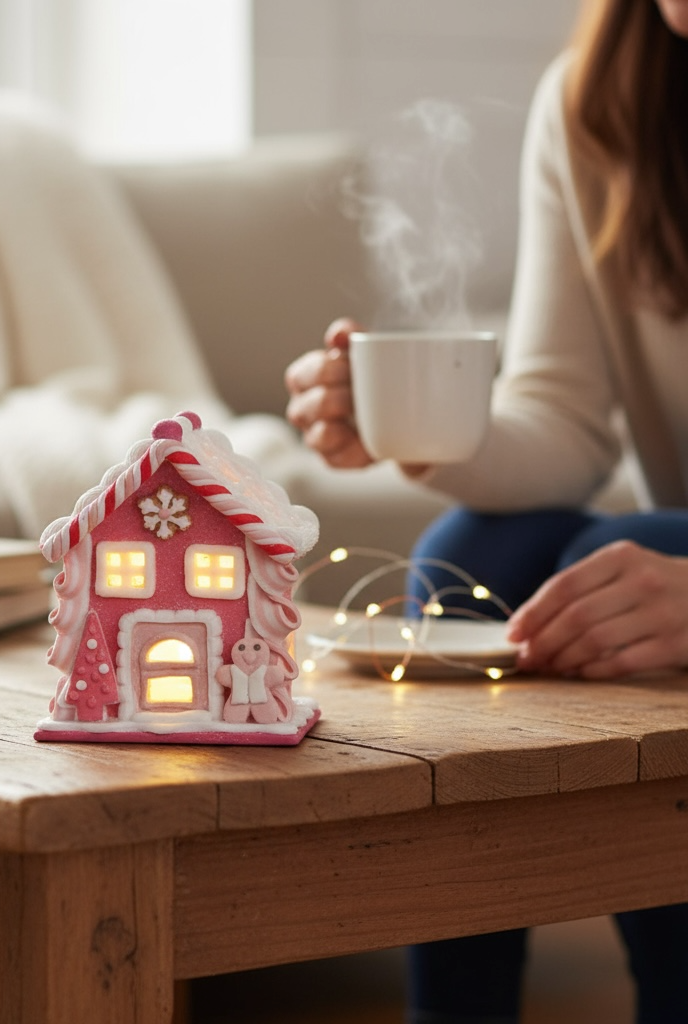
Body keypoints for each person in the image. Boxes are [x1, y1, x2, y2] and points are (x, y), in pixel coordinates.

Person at [284, 1, 688, 1021]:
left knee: (623, 547)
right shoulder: (599, 105)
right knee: (466, 555)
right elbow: (563, 417)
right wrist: (418, 431)